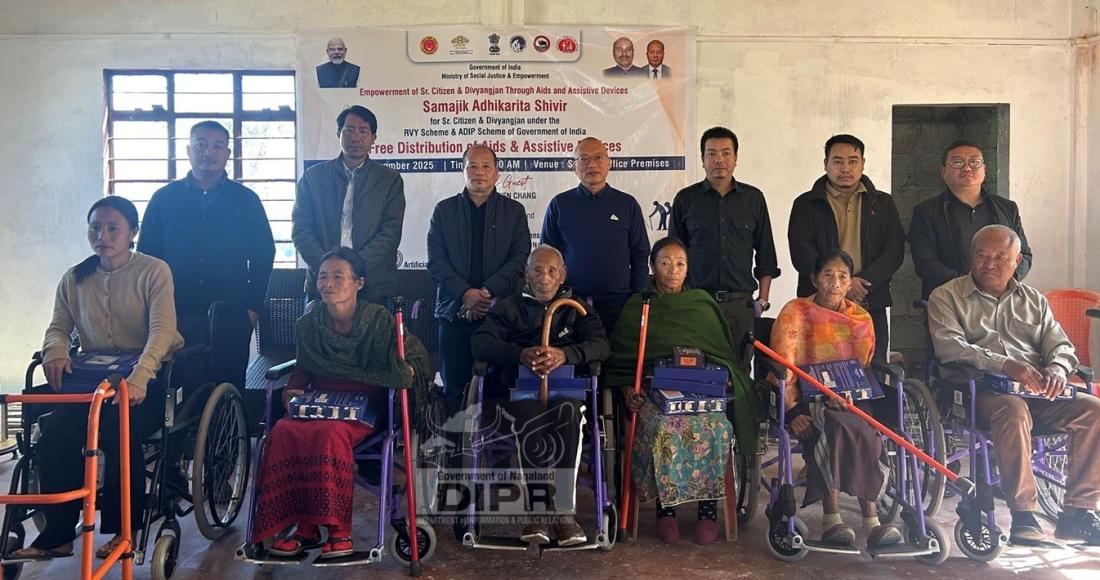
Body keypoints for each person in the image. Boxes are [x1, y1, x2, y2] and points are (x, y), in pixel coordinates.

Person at [11, 196, 184, 560]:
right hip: (93, 383)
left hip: (147, 377)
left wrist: (139, 377)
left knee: (118, 430)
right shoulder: (75, 278)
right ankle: (58, 533)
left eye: (112, 228)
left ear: (132, 233)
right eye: (95, 228)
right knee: (56, 432)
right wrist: (55, 352)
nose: (102, 236)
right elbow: (58, 327)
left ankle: (124, 529)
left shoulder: (154, 271)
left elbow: (162, 332)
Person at [251, 247, 429, 559]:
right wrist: (293, 391)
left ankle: (337, 530)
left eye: (338, 276)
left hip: (366, 405)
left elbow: (414, 355)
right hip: (318, 401)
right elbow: (303, 369)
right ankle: (303, 527)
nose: (328, 283)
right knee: (282, 431)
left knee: (329, 434)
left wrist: (408, 370)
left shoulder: (380, 321)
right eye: (322, 276)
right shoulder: (309, 324)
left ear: (359, 283)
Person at [928, 224, 1100, 546]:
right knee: (1013, 409)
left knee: (1093, 410)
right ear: (971, 256)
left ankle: (1078, 512)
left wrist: (1057, 368)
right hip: (979, 392)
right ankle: (1023, 514)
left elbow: (1061, 345)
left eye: (1000, 257)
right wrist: (1005, 364)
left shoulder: (1033, 300)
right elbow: (949, 347)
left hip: (1035, 391)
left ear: (1017, 260)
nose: (989, 263)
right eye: (982, 255)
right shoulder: (946, 296)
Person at [607, 237, 755, 545]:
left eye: (680, 264)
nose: (673, 270)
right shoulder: (639, 306)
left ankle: (707, 512)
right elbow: (620, 362)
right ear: (652, 266)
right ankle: (667, 511)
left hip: (701, 394)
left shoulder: (701, 304)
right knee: (665, 427)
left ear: (688, 269)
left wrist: (723, 380)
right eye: (665, 263)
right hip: (654, 396)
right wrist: (627, 391)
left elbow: (722, 355)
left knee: (717, 427)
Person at [471, 245, 610, 547]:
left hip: (565, 396)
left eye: (551, 271)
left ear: (563, 275)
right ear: (526, 274)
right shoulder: (509, 307)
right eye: (537, 270)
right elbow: (480, 343)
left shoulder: (577, 309)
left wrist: (566, 354)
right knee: (530, 417)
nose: (544, 278)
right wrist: (517, 354)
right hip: (521, 397)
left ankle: (563, 514)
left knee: (570, 415)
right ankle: (536, 512)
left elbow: (601, 345)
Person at [769, 248, 901, 548]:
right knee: (837, 427)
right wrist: (793, 411)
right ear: (814, 279)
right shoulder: (795, 313)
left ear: (850, 282)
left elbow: (863, 367)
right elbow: (783, 368)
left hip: (854, 400)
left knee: (867, 430)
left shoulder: (861, 319)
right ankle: (832, 519)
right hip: (810, 400)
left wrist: (850, 396)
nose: (835, 282)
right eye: (828, 275)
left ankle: (872, 522)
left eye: (843, 276)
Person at [139, 120, 275, 390]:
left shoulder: (246, 200)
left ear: (228, 153)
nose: (208, 152)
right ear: (188, 150)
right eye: (201, 144)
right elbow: (146, 256)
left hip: (231, 312)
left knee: (227, 387)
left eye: (217, 146)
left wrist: (252, 308)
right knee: (173, 388)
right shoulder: (164, 199)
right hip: (173, 311)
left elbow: (263, 255)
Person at [788, 134, 904, 368]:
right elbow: (801, 252)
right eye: (838, 161)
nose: (846, 168)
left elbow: (894, 250)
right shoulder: (806, 204)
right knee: (818, 371)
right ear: (826, 164)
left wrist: (861, 282)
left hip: (869, 301)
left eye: (853, 161)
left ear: (863, 163)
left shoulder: (882, 203)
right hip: (819, 305)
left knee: (872, 371)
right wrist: (837, 284)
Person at [427, 144, 530, 408]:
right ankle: (453, 435)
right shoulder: (444, 211)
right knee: (453, 392)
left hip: (500, 315)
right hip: (454, 312)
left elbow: (519, 260)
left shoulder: (514, 211)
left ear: (497, 173)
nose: (479, 172)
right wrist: (465, 294)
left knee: (500, 393)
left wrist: (485, 294)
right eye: (472, 166)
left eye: (486, 166)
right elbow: (436, 263)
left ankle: (495, 436)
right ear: (463, 172)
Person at [669, 126, 781, 369]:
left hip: (739, 306)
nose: (719, 159)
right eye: (712, 153)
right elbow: (673, 257)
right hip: (697, 302)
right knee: (695, 372)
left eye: (726, 153)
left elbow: (766, 255)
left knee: (738, 373)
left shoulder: (753, 199)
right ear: (702, 159)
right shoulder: (686, 200)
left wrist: (762, 301)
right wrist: (679, 301)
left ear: (736, 158)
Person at [292, 105, 405, 305]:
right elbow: (301, 230)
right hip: (323, 285)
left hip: (372, 284)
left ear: (373, 138)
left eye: (363, 131)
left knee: (374, 328)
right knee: (317, 327)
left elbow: (391, 232)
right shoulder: (313, 178)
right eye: (349, 130)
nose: (356, 137)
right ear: (338, 133)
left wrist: (354, 270)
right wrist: (329, 270)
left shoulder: (389, 180)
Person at [542, 137, 650, 335]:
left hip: (619, 304)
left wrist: (635, 297)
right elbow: (547, 255)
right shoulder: (560, 204)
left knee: (617, 352)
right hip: (571, 302)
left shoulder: (627, 204)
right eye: (584, 159)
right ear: (574, 167)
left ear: (609, 163)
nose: (592, 164)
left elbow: (640, 254)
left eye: (598, 157)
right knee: (575, 352)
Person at [909, 139, 1032, 299]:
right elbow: (925, 263)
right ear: (943, 171)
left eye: (974, 162)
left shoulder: (1007, 208)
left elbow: (1024, 255)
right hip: (949, 298)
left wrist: (1002, 282)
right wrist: (969, 286)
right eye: (957, 162)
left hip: (1002, 298)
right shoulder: (926, 212)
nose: (967, 168)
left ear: (984, 169)